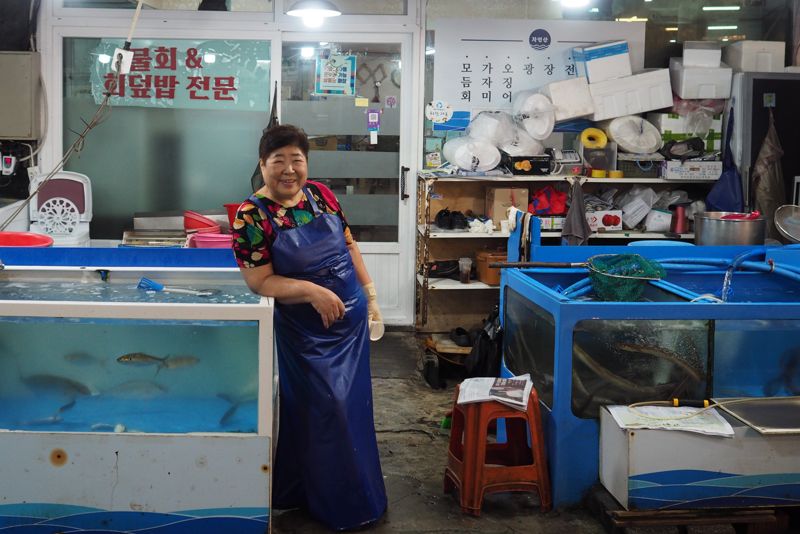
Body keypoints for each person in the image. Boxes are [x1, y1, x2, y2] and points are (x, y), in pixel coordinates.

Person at [231, 124, 387, 530]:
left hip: (349, 326)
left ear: (306, 164)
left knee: (352, 409)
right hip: (307, 334)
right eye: (277, 160)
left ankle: (355, 497)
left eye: (296, 160)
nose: (288, 169)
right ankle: (333, 504)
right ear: (262, 165)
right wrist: (310, 291)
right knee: (323, 410)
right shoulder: (251, 215)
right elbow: (259, 281)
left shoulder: (321, 195)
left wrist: (370, 297)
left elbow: (349, 245)